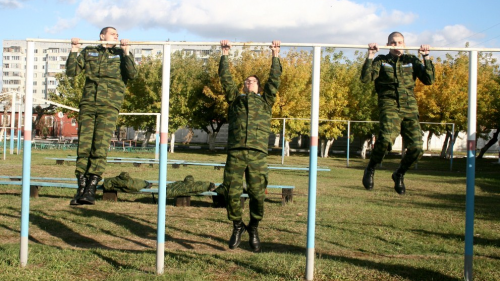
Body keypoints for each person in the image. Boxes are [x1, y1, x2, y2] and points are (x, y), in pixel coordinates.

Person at [218, 39, 282, 252]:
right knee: (230, 192)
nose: (249, 82)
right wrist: (225, 55)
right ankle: (237, 225)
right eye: (246, 81)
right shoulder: (235, 100)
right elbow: (226, 80)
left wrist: (275, 55)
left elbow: (275, 80)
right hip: (236, 153)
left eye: (253, 81)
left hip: (257, 155)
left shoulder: (265, 102)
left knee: (257, 194)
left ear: (259, 86)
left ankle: (253, 227)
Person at [66, 27, 137, 205]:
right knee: (84, 146)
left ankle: (91, 189)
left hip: (109, 105)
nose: (116, 36)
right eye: (113, 34)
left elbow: (132, 74)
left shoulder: (121, 53)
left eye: (117, 34)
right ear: (102, 36)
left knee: (99, 146)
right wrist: (74, 50)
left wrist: (126, 52)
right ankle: (81, 188)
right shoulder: (90, 51)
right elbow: (71, 72)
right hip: (89, 104)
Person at [360, 31, 435, 195]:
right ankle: (370, 168)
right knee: (386, 139)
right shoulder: (382, 61)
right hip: (389, 104)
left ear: (404, 44)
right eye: (393, 43)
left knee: (416, 148)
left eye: (399, 42)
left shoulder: (411, 60)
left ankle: (399, 174)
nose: (396, 46)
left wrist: (426, 57)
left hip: (409, 107)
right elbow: (366, 79)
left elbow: (429, 80)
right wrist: (371, 55)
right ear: (388, 44)